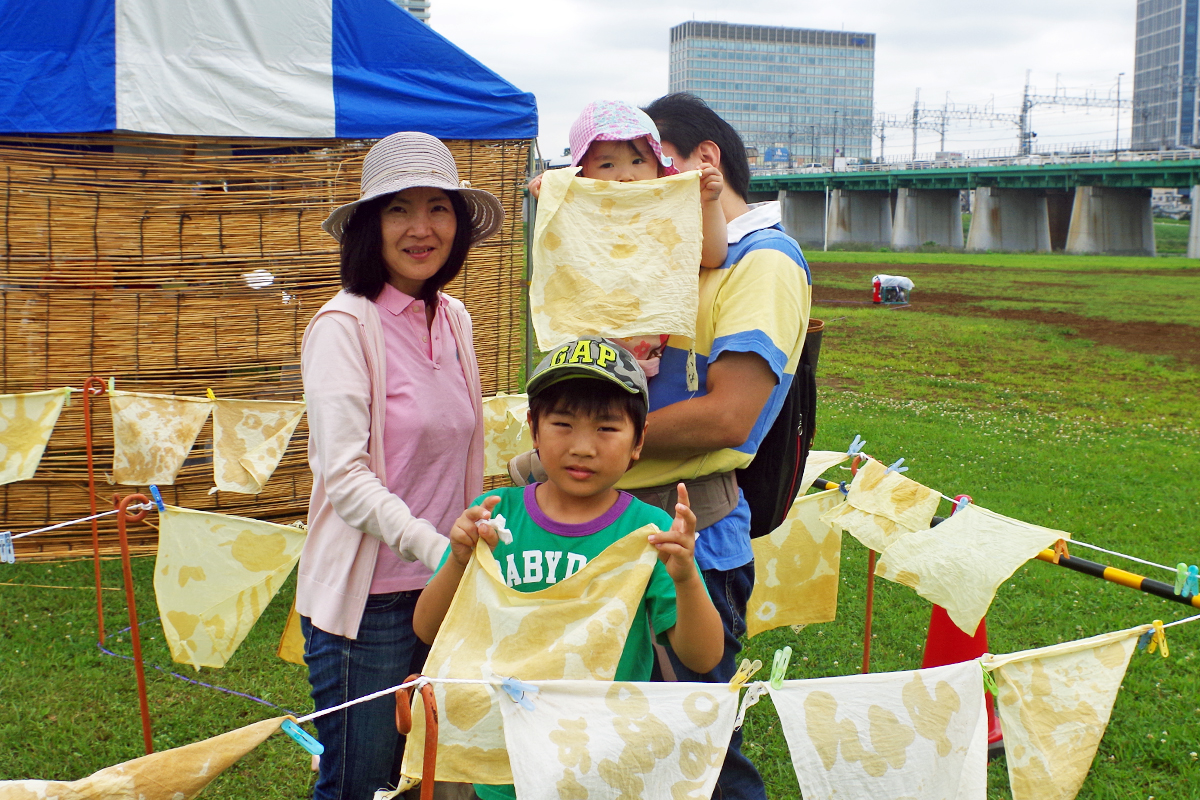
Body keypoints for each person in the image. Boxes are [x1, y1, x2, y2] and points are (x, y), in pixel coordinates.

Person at [414, 336, 724, 800]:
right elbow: (428, 629)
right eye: (562, 424)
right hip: (498, 765)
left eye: (606, 429)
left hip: (599, 765)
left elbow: (703, 657)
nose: (582, 447)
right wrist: (459, 560)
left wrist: (684, 578)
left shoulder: (649, 533)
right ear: (534, 431)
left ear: (638, 442)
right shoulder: (496, 516)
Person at [298, 131, 505, 800]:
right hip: (373, 604)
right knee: (358, 784)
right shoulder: (343, 326)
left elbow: (460, 450)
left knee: (428, 776)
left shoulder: (456, 319)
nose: (421, 228)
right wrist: (441, 549)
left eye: (437, 207)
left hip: (447, 589)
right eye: (398, 209)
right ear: (369, 225)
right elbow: (347, 478)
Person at [624, 92, 814, 800]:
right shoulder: (683, 257)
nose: (631, 192)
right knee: (636, 742)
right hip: (624, 528)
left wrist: (580, 445)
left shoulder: (761, 261)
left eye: (646, 168)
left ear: (705, 161)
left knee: (695, 756)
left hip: (695, 544)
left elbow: (730, 416)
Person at [530, 99, 727, 376]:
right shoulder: (582, 211)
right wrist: (555, 197)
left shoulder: (667, 211)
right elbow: (561, 250)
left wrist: (709, 202)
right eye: (608, 165)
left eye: (638, 161)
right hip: (585, 356)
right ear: (583, 173)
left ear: (659, 168)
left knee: (628, 417)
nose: (626, 176)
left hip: (652, 356)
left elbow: (713, 256)